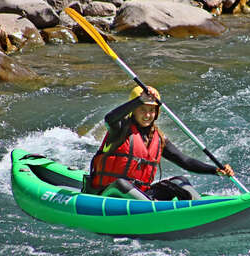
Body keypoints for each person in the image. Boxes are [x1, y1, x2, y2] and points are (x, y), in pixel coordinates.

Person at [83, 85, 234, 200]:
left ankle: (199, 210)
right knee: (122, 184)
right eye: (142, 109)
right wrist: (139, 99)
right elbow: (109, 119)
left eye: (152, 110)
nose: (148, 115)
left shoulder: (158, 138)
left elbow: (184, 160)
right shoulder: (120, 129)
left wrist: (215, 170)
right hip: (108, 194)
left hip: (142, 196)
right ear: (133, 110)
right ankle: (151, 212)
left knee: (180, 181)